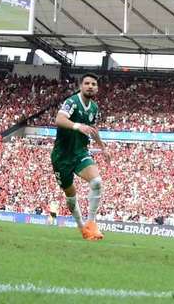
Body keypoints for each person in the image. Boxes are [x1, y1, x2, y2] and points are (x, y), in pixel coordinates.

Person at [51, 73, 110, 240]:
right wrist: (77, 126)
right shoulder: (71, 102)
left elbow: (93, 129)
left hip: (81, 152)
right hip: (62, 156)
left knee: (97, 182)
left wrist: (103, 148)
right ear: (81, 86)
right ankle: (82, 227)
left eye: (93, 84)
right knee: (70, 195)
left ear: (97, 88)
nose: (90, 86)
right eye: (87, 83)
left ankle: (91, 224)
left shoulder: (94, 108)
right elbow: (59, 119)